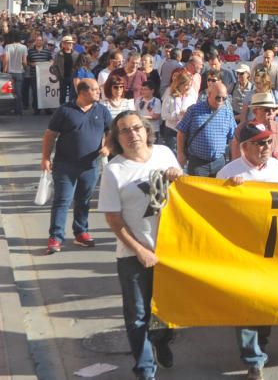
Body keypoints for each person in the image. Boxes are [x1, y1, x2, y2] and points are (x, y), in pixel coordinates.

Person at [98, 112, 181, 380]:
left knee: (169, 308)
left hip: (171, 251)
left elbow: (185, 191)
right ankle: (145, 370)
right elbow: (113, 218)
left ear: (146, 130)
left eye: (136, 128)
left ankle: (162, 340)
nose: (132, 134)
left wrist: (178, 175)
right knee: (137, 315)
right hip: (134, 255)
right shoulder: (114, 171)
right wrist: (139, 250)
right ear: (117, 138)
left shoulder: (165, 153)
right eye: (124, 130)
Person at [217, 123, 278, 379]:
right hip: (243, 251)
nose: (266, 147)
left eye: (269, 142)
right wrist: (228, 192)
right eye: (260, 143)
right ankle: (253, 358)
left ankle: (262, 342)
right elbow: (216, 215)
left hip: (272, 248)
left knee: (266, 302)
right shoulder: (228, 172)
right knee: (246, 305)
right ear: (244, 147)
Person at [41, 80, 113, 254]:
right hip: (65, 165)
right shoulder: (65, 111)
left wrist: (108, 147)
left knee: (84, 200)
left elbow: (110, 132)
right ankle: (56, 237)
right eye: (95, 90)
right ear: (83, 92)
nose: (99, 92)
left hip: (90, 166)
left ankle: (81, 232)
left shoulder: (102, 110)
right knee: (62, 200)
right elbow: (50, 135)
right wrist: (45, 158)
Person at [175, 82, 237, 177]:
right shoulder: (194, 110)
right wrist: (180, 153)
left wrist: (234, 160)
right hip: (198, 163)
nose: (221, 101)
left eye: (224, 98)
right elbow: (181, 132)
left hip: (219, 163)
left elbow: (233, 138)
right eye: (218, 97)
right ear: (209, 95)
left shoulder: (227, 113)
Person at [232, 93, 278, 166]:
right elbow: (237, 161)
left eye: (274, 109)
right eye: (267, 109)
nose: (271, 113)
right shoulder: (242, 130)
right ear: (255, 112)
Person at [160, 71, 196, 152]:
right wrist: (178, 115)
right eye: (186, 85)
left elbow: (194, 115)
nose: (188, 87)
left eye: (190, 85)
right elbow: (163, 115)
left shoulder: (191, 98)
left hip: (185, 131)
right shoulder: (170, 97)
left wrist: (187, 114)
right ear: (179, 84)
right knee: (173, 153)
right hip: (172, 130)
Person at [50, 34, 81, 105]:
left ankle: (72, 108)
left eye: (71, 43)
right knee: (62, 95)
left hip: (73, 78)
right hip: (63, 77)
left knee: (72, 95)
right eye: (68, 43)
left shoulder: (76, 54)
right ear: (64, 44)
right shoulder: (59, 54)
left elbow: (79, 66)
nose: (70, 44)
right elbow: (55, 66)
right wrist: (59, 76)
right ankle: (62, 109)